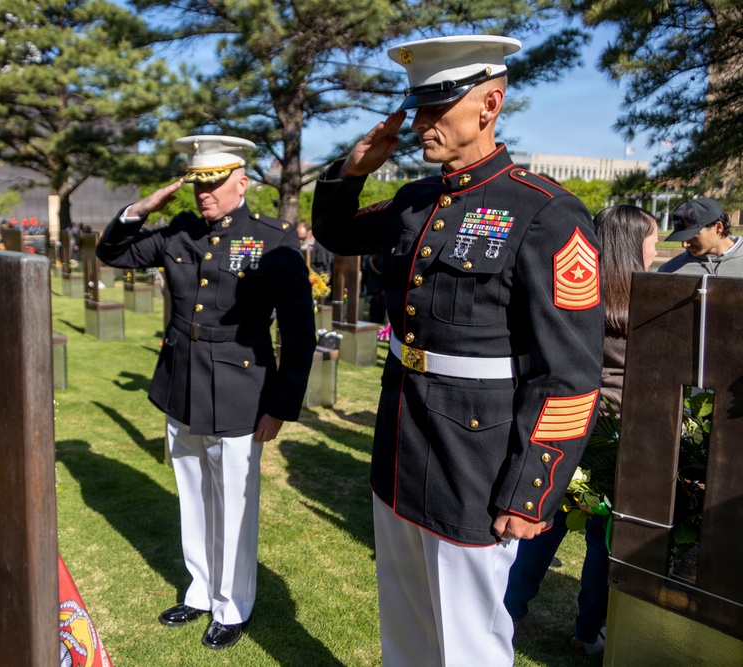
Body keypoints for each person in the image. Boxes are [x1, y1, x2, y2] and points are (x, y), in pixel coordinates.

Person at [312, 36, 605, 666]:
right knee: (407, 626)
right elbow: (337, 231)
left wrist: (534, 490)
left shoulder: (546, 213)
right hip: (403, 438)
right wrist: (351, 169)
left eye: (435, 107)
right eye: (416, 106)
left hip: (477, 459)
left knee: (469, 642)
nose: (419, 122)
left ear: (489, 104)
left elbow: (570, 373)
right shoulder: (420, 201)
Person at [97, 135, 316, 650]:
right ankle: (200, 591)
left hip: (240, 385)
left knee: (234, 502)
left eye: (214, 182)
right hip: (182, 380)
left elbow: (299, 330)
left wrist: (282, 405)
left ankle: (233, 604)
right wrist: (142, 207)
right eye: (197, 183)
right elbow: (113, 254)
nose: (204, 193)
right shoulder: (180, 230)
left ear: (242, 181)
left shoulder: (274, 238)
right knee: (192, 492)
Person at [504, 205, 659, 656]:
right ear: (634, 244)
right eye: (652, 241)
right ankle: (588, 633)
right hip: (619, 434)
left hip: (565, 423)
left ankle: (507, 613)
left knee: (542, 524)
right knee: (602, 539)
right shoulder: (649, 302)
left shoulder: (572, 291)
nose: (655, 250)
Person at [657, 197, 743, 276]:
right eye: (682, 238)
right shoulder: (669, 271)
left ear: (718, 227)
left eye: (691, 235)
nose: (684, 244)